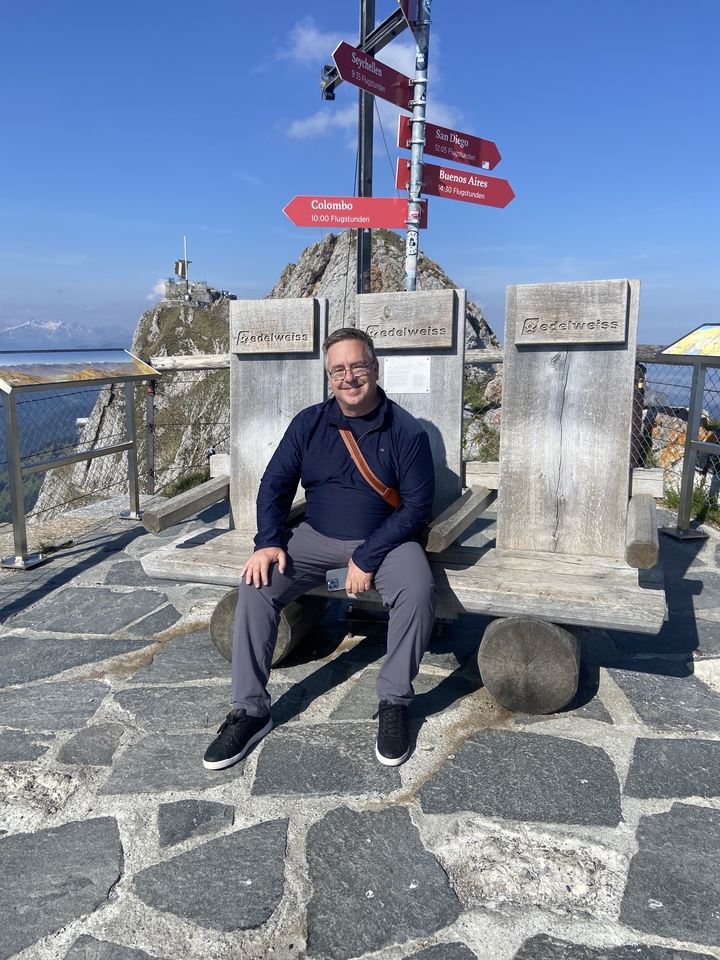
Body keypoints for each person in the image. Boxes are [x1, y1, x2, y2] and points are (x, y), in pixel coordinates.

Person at [203, 327, 437, 770]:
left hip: (386, 539)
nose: (349, 377)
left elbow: (417, 508)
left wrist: (366, 557)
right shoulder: (308, 424)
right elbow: (273, 486)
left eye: (357, 366)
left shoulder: (407, 431)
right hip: (314, 536)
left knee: (417, 590)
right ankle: (249, 710)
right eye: (338, 370)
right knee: (256, 584)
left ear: (375, 368)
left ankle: (394, 703)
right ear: (329, 376)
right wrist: (268, 542)